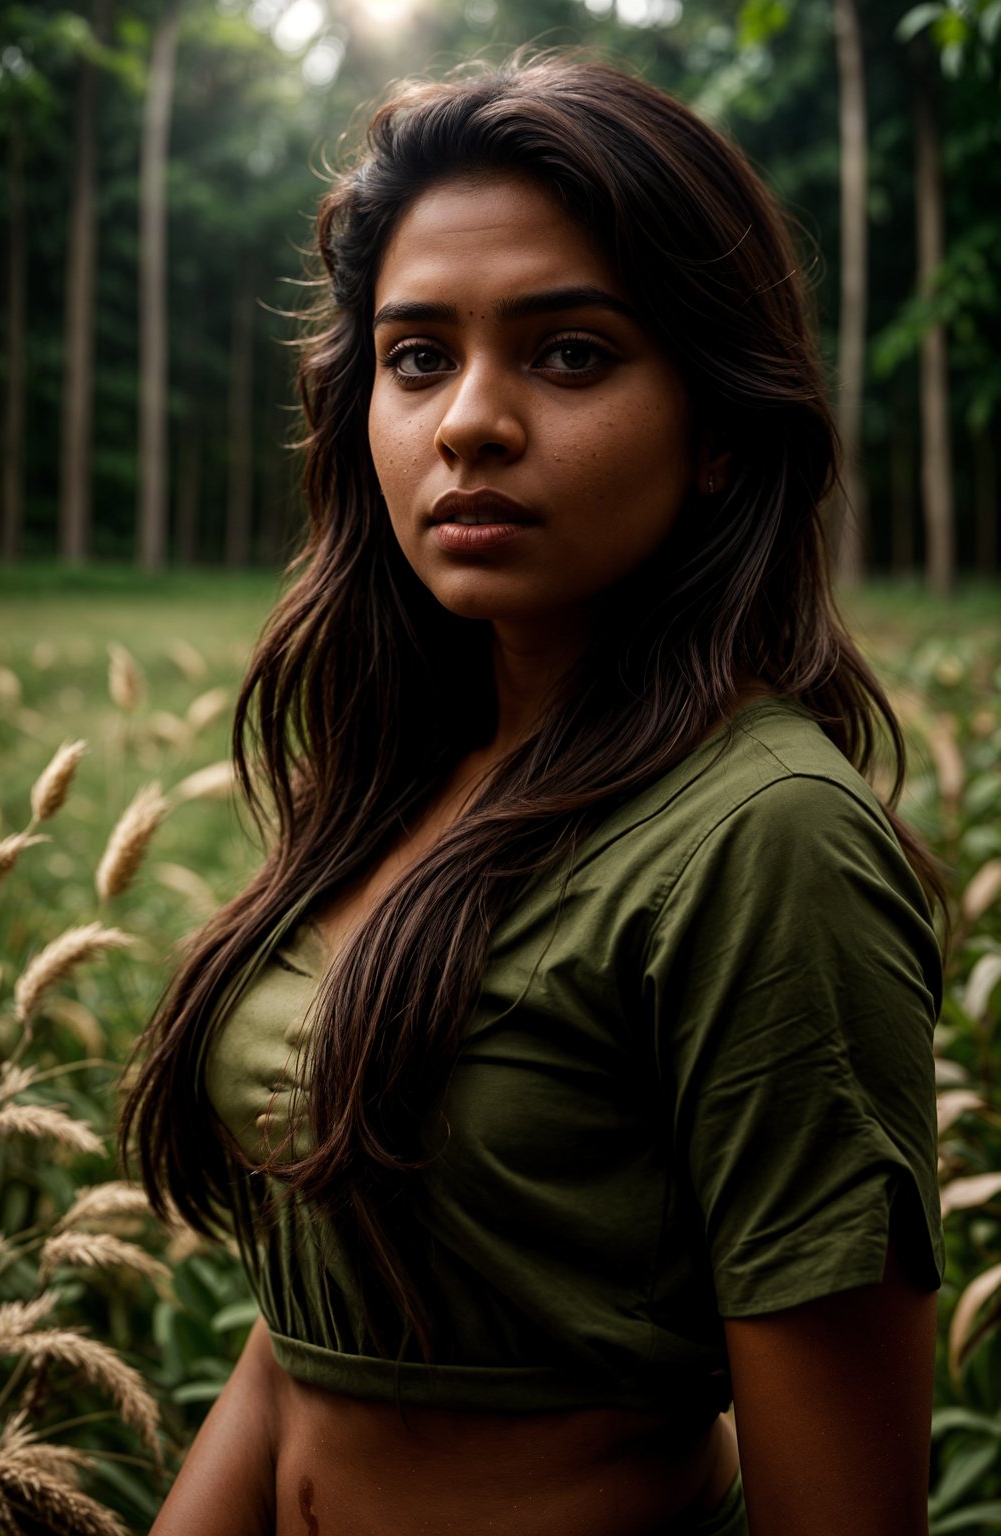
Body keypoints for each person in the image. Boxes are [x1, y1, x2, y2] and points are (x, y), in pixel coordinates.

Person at [123, 51, 945, 1536]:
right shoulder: (403, 776)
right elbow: (319, 1321)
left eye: (570, 355)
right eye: (418, 356)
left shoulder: (766, 840)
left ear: (716, 430)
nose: (469, 424)